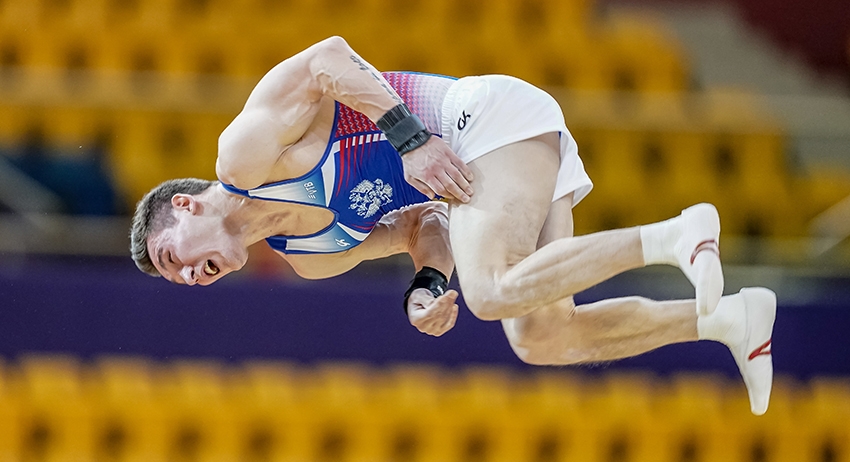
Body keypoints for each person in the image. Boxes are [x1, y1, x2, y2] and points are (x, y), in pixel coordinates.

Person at [130, 36, 776, 415]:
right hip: (484, 165)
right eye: (178, 279)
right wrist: (428, 285)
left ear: (185, 206)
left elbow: (327, 57)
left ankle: (674, 235)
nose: (186, 277)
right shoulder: (310, 256)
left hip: (476, 118)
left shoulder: (242, 157)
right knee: (543, 337)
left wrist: (409, 139)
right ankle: (727, 320)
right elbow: (421, 226)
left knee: (491, 291)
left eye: (169, 257)